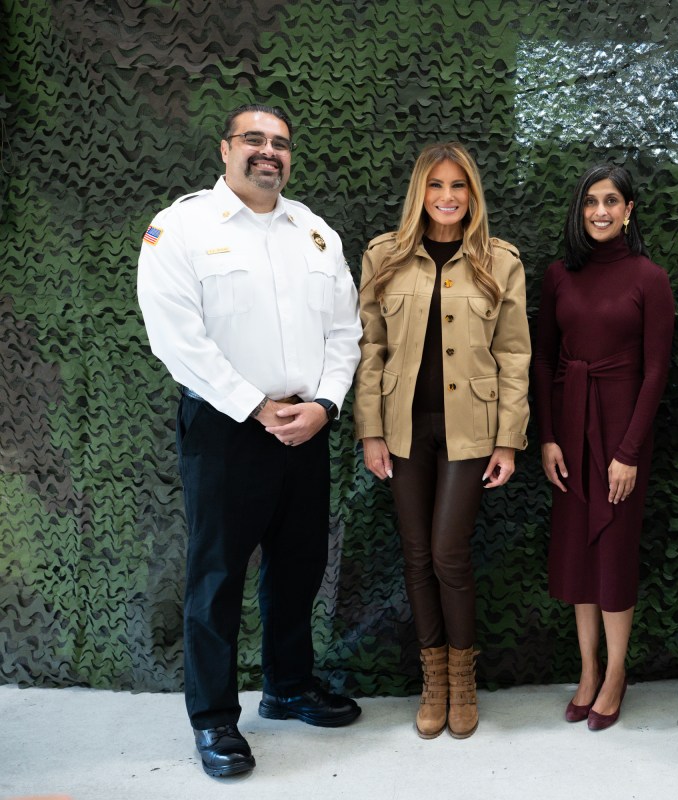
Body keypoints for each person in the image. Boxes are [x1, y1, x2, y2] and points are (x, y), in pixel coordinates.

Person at [137, 103, 363, 778]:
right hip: (226, 428)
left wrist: (325, 404)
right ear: (225, 149)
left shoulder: (314, 233)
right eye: (254, 140)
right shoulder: (181, 228)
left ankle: (287, 687)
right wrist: (255, 406)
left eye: (280, 143)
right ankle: (213, 720)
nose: (269, 152)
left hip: (305, 426)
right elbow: (176, 337)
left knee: (298, 568)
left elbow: (344, 332)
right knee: (216, 579)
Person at [354, 141, 530, 740]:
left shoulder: (499, 261)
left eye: (459, 186)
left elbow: (514, 355)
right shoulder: (384, 255)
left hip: (470, 428)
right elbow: (370, 348)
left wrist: (508, 441)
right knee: (415, 555)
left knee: (448, 552)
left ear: (472, 194)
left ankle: (462, 678)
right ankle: (433, 680)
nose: (447, 197)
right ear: (420, 192)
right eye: (436, 185)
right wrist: (370, 430)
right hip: (403, 427)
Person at [533, 164, 675, 732]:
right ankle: (587, 670)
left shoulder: (650, 278)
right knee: (576, 553)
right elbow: (543, 358)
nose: (600, 211)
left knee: (613, 552)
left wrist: (630, 452)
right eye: (591, 201)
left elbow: (657, 371)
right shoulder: (558, 275)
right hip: (568, 427)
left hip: (621, 430)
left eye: (611, 200)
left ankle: (616, 674)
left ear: (629, 209)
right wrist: (547, 437)